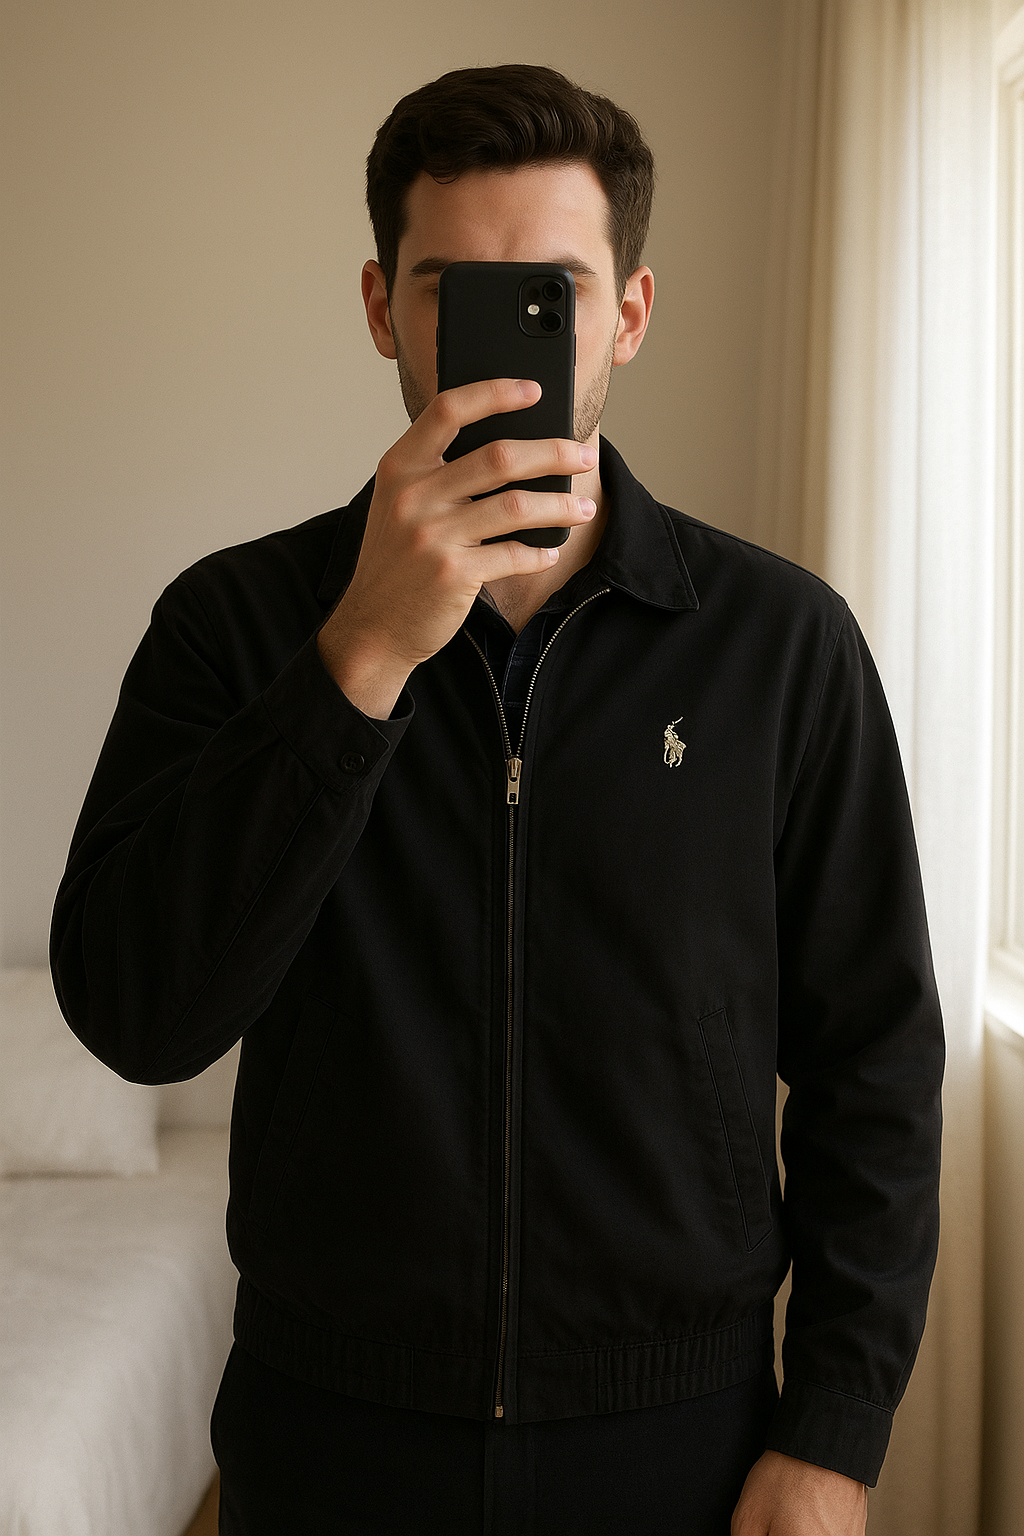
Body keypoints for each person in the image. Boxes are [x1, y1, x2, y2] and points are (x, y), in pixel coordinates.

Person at [51, 64, 943, 1536]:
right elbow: (139, 1016)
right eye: (451, 290)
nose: (501, 339)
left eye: (552, 293)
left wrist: (836, 1433)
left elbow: (878, 1063)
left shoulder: (782, 646)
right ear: (381, 308)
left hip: (683, 1440)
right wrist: (361, 655)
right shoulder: (234, 625)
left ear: (629, 314)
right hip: (331, 1438)